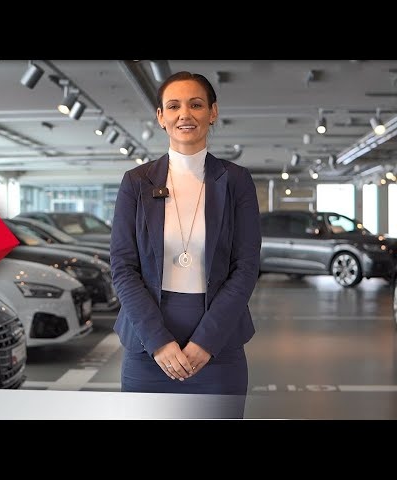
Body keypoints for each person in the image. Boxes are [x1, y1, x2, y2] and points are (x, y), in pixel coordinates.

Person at [110, 71, 261, 413]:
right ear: (161, 116)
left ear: (213, 112)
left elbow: (246, 267)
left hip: (219, 345)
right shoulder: (136, 182)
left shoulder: (236, 181)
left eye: (196, 105)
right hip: (147, 345)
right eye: (174, 106)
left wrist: (206, 341)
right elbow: (122, 267)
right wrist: (158, 342)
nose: (185, 114)